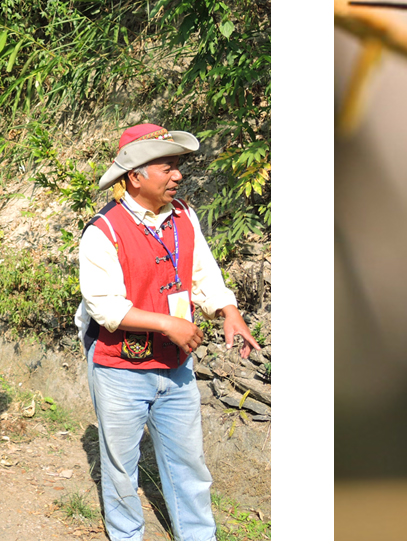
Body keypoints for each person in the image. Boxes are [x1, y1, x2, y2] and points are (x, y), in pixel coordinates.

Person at [76, 123, 258, 541]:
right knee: (122, 464)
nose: (178, 175)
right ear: (135, 176)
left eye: (178, 167)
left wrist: (228, 310)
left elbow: (203, 273)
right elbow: (104, 307)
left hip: (175, 365)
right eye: (167, 167)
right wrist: (168, 323)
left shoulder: (184, 217)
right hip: (120, 368)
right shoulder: (102, 231)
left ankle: (198, 537)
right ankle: (126, 536)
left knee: (187, 461)